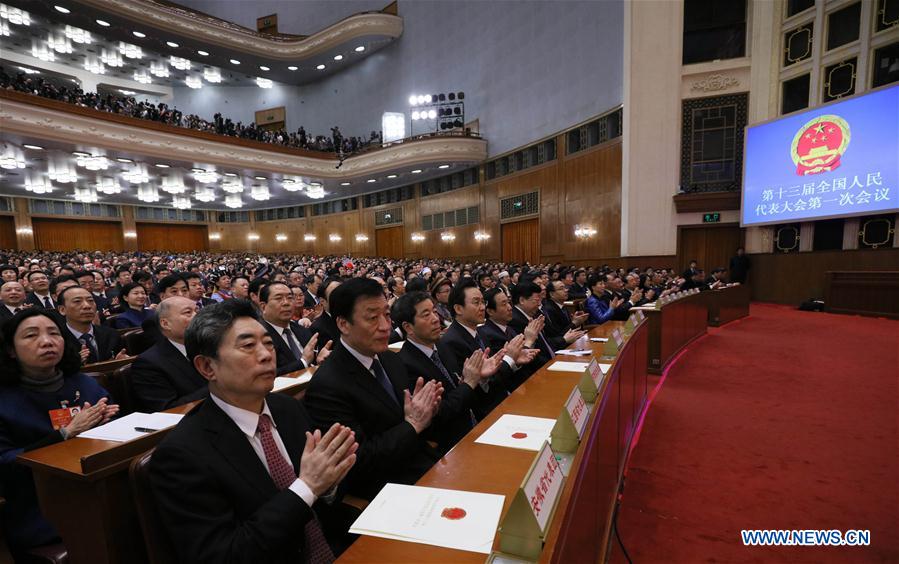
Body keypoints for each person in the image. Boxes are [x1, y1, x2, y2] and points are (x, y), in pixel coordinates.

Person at [150, 299, 357, 563]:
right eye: (248, 346)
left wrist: (328, 484)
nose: (266, 355)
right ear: (207, 367)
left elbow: (325, 501)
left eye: (268, 343)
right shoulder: (181, 454)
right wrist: (307, 486)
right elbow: (223, 555)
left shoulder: (287, 409)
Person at [303, 278, 443, 500]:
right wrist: (413, 424)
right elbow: (359, 460)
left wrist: (427, 412)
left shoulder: (389, 359)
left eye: (386, 315)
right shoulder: (328, 385)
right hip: (386, 491)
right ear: (343, 324)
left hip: (425, 465)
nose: (386, 326)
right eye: (372, 318)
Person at [0, 309, 119, 556]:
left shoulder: (84, 383)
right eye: (31, 335)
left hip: (99, 487)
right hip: (39, 507)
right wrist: (64, 434)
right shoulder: (4, 399)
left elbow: (115, 431)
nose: (46, 341)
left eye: (54, 333)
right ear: (11, 350)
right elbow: (5, 465)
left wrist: (108, 424)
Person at [393, 292, 496, 452]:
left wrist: (479, 378)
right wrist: (469, 383)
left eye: (434, 311)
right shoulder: (404, 365)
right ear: (408, 327)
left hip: (476, 426)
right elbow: (440, 413)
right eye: (426, 315)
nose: (435, 319)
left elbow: (460, 390)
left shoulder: (442, 347)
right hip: (450, 446)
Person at [438, 279, 537, 418]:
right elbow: (473, 391)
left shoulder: (480, 332)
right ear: (458, 309)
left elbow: (494, 374)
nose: (482, 307)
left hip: (503, 399)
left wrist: (514, 362)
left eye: (483, 302)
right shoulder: (451, 342)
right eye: (476, 302)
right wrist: (509, 360)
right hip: (486, 412)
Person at [129, 296, 208, 412]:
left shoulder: (211, 346)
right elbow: (168, 409)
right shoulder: (148, 363)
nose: (197, 316)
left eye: (197, 310)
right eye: (188, 312)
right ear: (165, 324)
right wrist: (218, 387)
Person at [260, 282, 330, 375]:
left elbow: (311, 362)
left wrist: (318, 360)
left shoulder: (302, 330)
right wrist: (303, 362)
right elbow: (265, 375)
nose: (286, 303)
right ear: (263, 307)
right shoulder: (258, 337)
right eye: (278, 298)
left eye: (290, 298)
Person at [57, 286, 126, 364]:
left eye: (90, 300)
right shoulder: (56, 342)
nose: (87, 306)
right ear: (62, 310)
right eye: (77, 301)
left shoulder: (111, 334)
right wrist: (74, 364)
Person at [309, 277, 342, 349]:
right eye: (335, 294)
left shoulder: (353, 317)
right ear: (322, 301)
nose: (341, 297)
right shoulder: (318, 328)